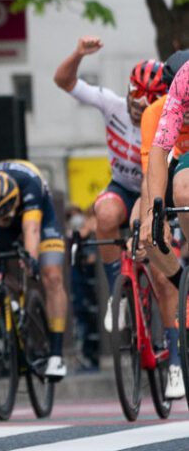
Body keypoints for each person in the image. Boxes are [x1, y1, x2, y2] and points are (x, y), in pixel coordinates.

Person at [53, 36, 160, 332]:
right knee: (105, 215)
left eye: (149, 97)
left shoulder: (164, 120)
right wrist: (78, 54)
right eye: (136, 93)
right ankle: (118, 294)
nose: (139, 102)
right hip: (122, 186)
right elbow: (63, 80)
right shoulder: (113, 105)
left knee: (142, 231)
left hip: (153, 189)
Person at [0, 160, 69, 380]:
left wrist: (30, 259)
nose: (3, 221)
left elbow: (32, 228)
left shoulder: (30, 184)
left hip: (40, 218)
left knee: (52, 276)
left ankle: (56, 354)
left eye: (5, 215)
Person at [136, 50, 189, 400]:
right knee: (182, 185)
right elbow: (159, 153)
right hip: (180, 162)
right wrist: (154, 214)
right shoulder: (182, 84)